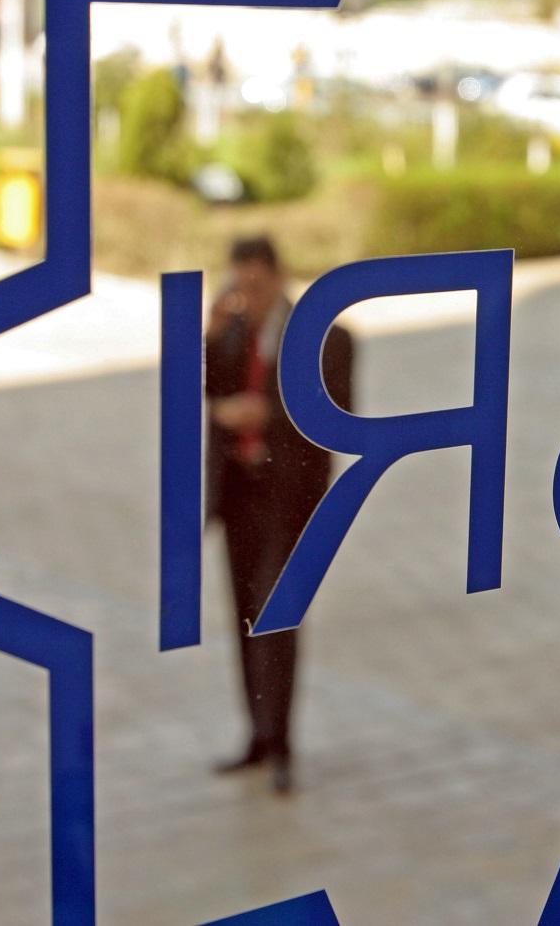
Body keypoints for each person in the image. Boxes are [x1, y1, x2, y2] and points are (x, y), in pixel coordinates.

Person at [205, 235, 353, 794]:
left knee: (278, 620)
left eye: (257, 285)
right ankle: (258, 736)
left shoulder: (324, 338)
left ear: (278, 275)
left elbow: (339, 418)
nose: (250, 297)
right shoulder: (231, 332)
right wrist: (210, 336)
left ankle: (283, 744)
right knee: (245, 618)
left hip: (288, 501)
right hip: (239, 495)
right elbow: (203, 392)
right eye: (240, 286)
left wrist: (267, 414)